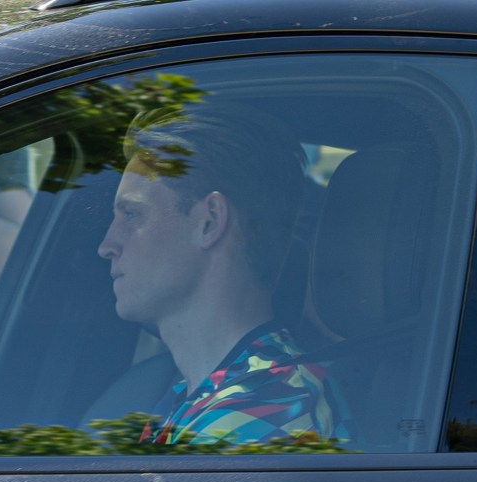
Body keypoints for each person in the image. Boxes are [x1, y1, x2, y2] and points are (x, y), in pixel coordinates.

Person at [97, 104, 352, 446]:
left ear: (210, 221)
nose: (107, 245)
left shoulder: (262, 413)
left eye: (131, 214)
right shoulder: (207, 394)